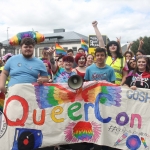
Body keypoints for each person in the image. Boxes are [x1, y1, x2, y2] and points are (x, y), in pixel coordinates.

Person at [92, 21, 128, 85]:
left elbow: (125, 75)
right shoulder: (105, 57)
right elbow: (100, 39)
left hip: (118, 86)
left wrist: (120, 85)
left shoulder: (123, 59)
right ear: (108, 48)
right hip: (105, 85)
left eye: (115, 45)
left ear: (117, 47)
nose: (113, 46)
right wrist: (95, 27)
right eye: (111, 45)